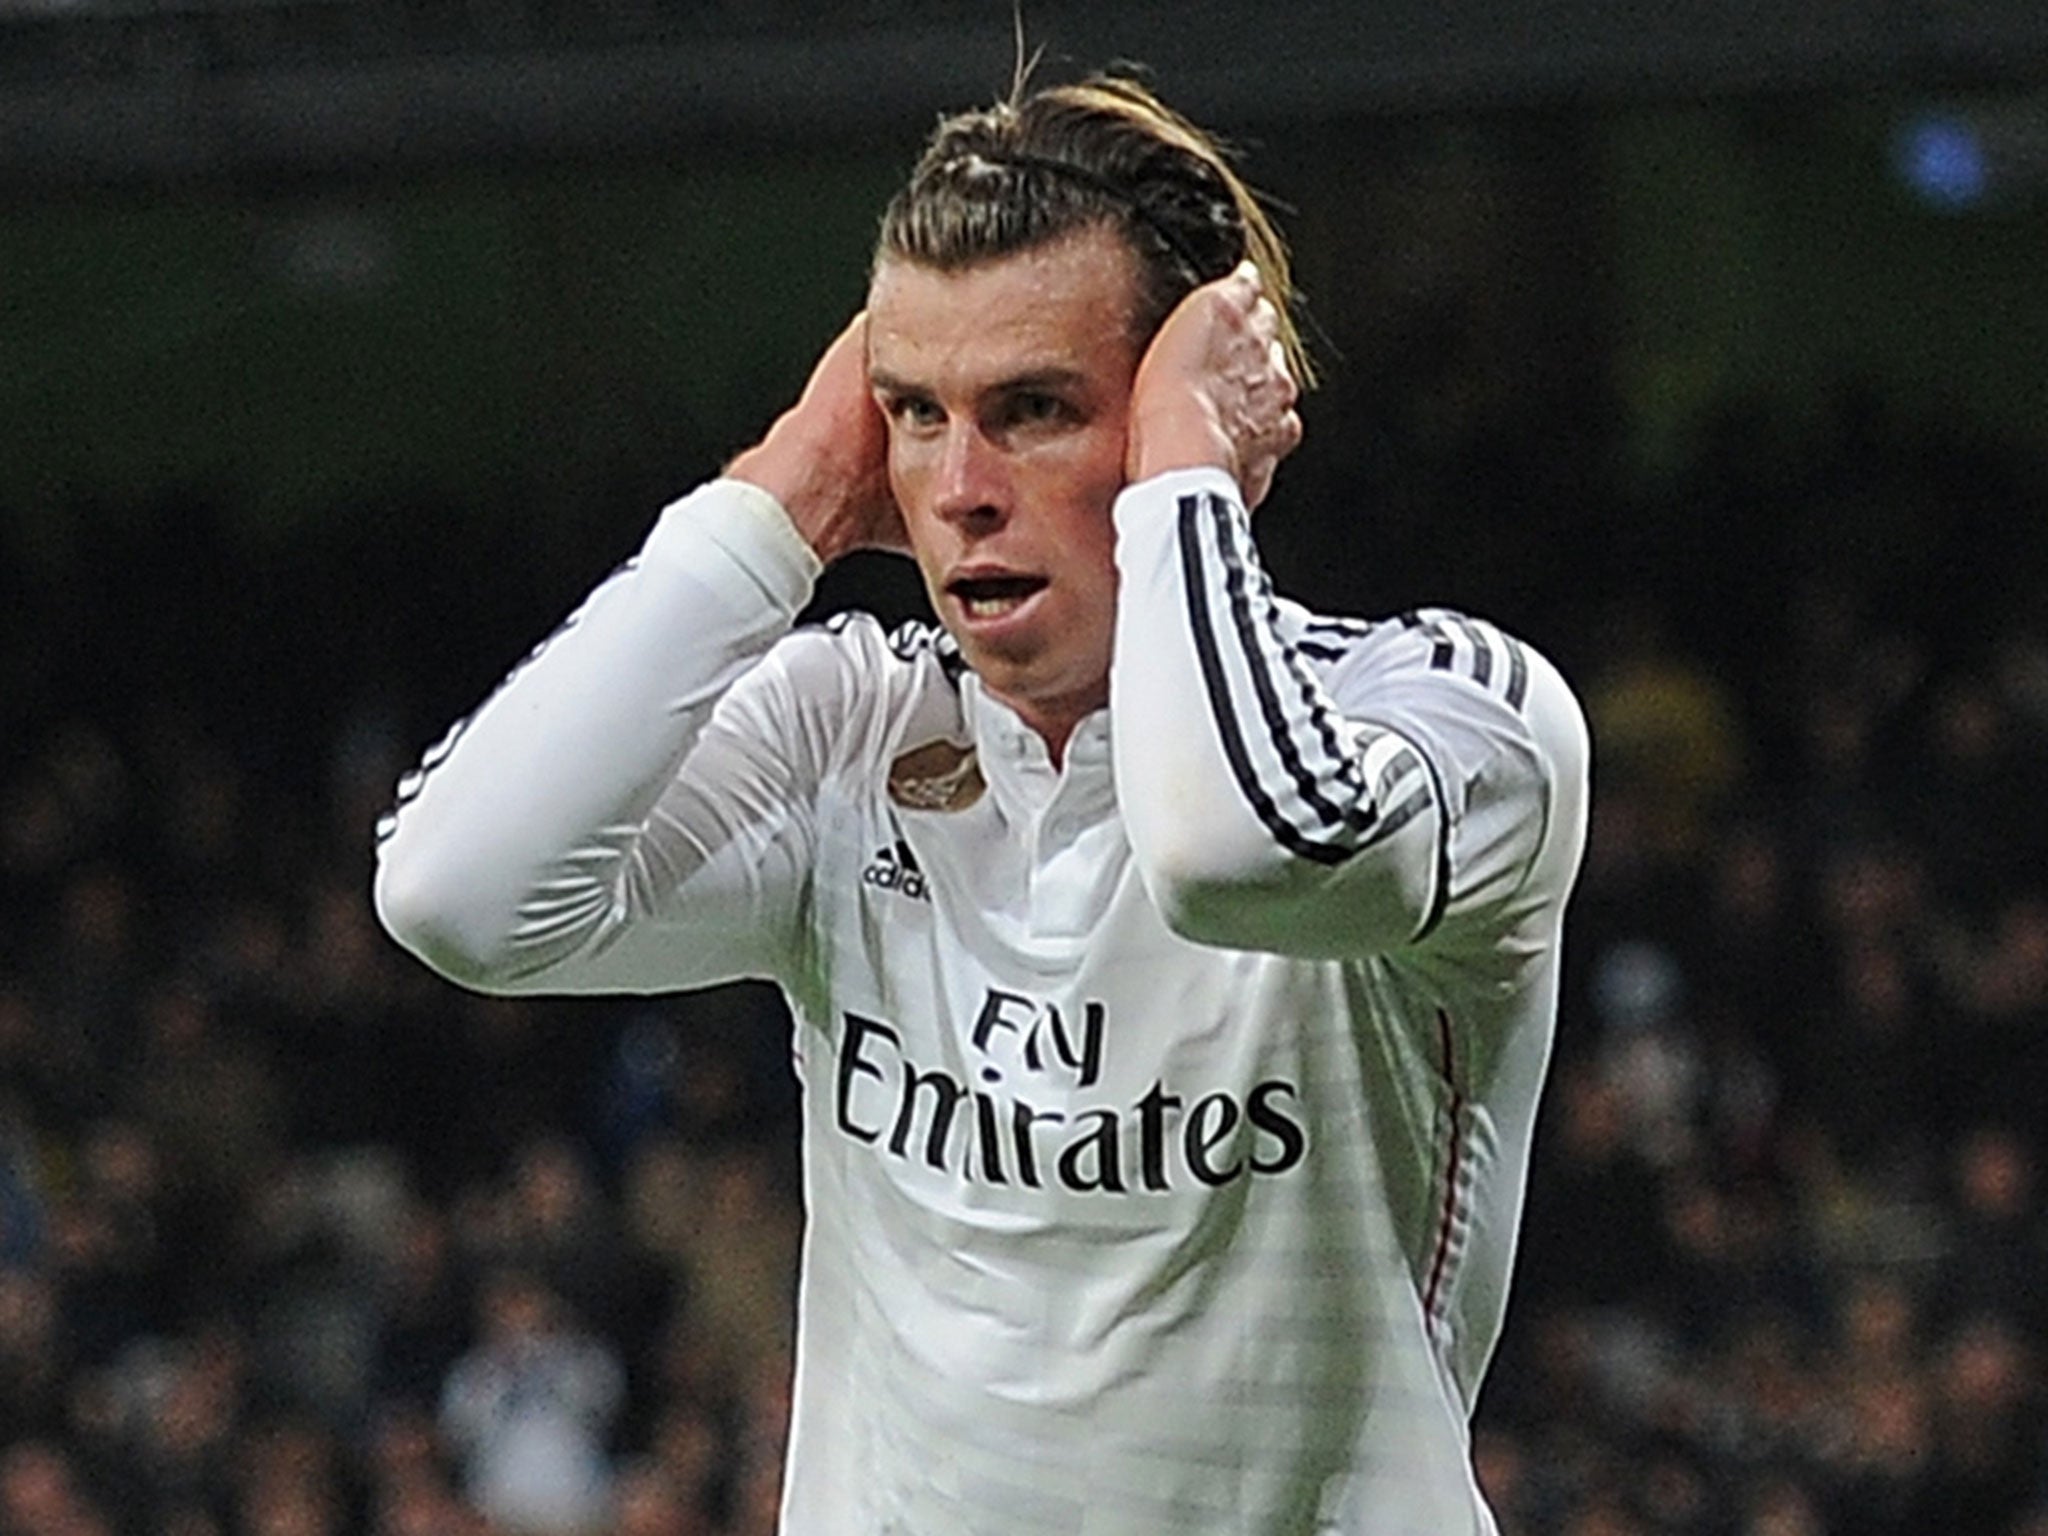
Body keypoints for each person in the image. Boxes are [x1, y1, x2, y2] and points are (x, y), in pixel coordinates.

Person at [375, 69, 1590, 1536]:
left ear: (1180, 416)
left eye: (1034, 412)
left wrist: (1191, 485)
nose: (958, 487)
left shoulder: (1458, 719)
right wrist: (789, 493)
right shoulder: (848, 729)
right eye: (915, 414)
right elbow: (461, 896)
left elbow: (1227, 856)